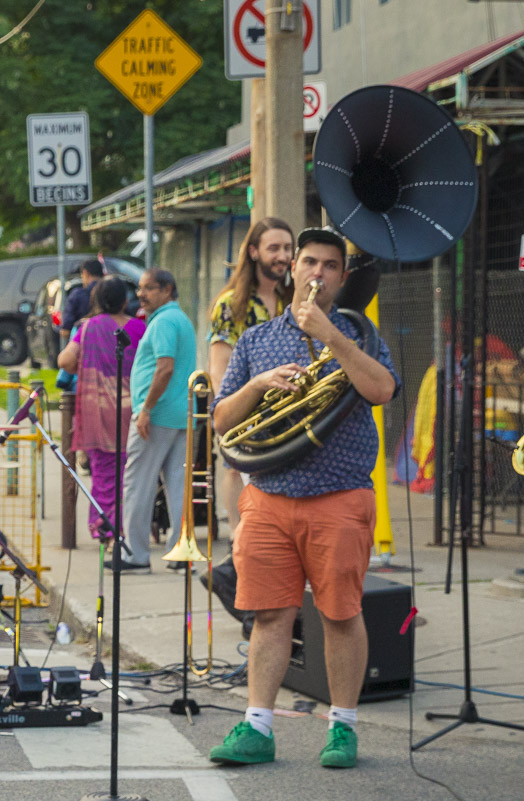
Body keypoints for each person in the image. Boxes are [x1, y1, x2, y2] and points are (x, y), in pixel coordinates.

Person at [208, 226, 399, 770]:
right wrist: (258, 384)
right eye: (309, 262)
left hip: (339, 496)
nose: (317, 273)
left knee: (340, 614)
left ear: (341, 277)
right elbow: (222, 420)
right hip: (269, 497)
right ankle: (257, 726)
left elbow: (382, 390)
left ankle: (342, 728)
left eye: (330, 266)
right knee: (271, 615)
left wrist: (331, 338)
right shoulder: (256, 340)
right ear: (291, 268)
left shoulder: (358, 333)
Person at [207, 218, 293, 536]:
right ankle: (237, 537)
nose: (282, 255)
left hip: (287, 413)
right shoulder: (232, 304)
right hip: (245, 409)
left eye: (287, 248)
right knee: (235, 471)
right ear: (254, 252)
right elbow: (219, 366)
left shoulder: (291, 301)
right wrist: (229, 414)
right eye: (274, 248)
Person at [118, 267, 196, 572]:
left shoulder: (163, 321)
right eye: (140, 288)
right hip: (180, 414)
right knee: (178, 485)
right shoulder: (182, 319)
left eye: (148, 288)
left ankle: (135, 555)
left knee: (138, 483)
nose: (141, 294)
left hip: (157, 414)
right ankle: (180, 552)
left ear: (167, 290)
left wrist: (146, 408)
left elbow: (164, 368)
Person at [58, 276, 140, 541]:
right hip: (133, 409)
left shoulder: (89, 327)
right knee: (130, 471)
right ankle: (125, 523)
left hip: (98, 409)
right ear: (125, 300)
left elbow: (66, 360)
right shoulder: (140, 328)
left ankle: (104, 525)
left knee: (103, 470)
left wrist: (87, 363)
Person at [59, 259, 103, 349]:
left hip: (84, 348)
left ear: (85, 273)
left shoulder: (78, 295)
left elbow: (65, 331)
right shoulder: (113, 292)